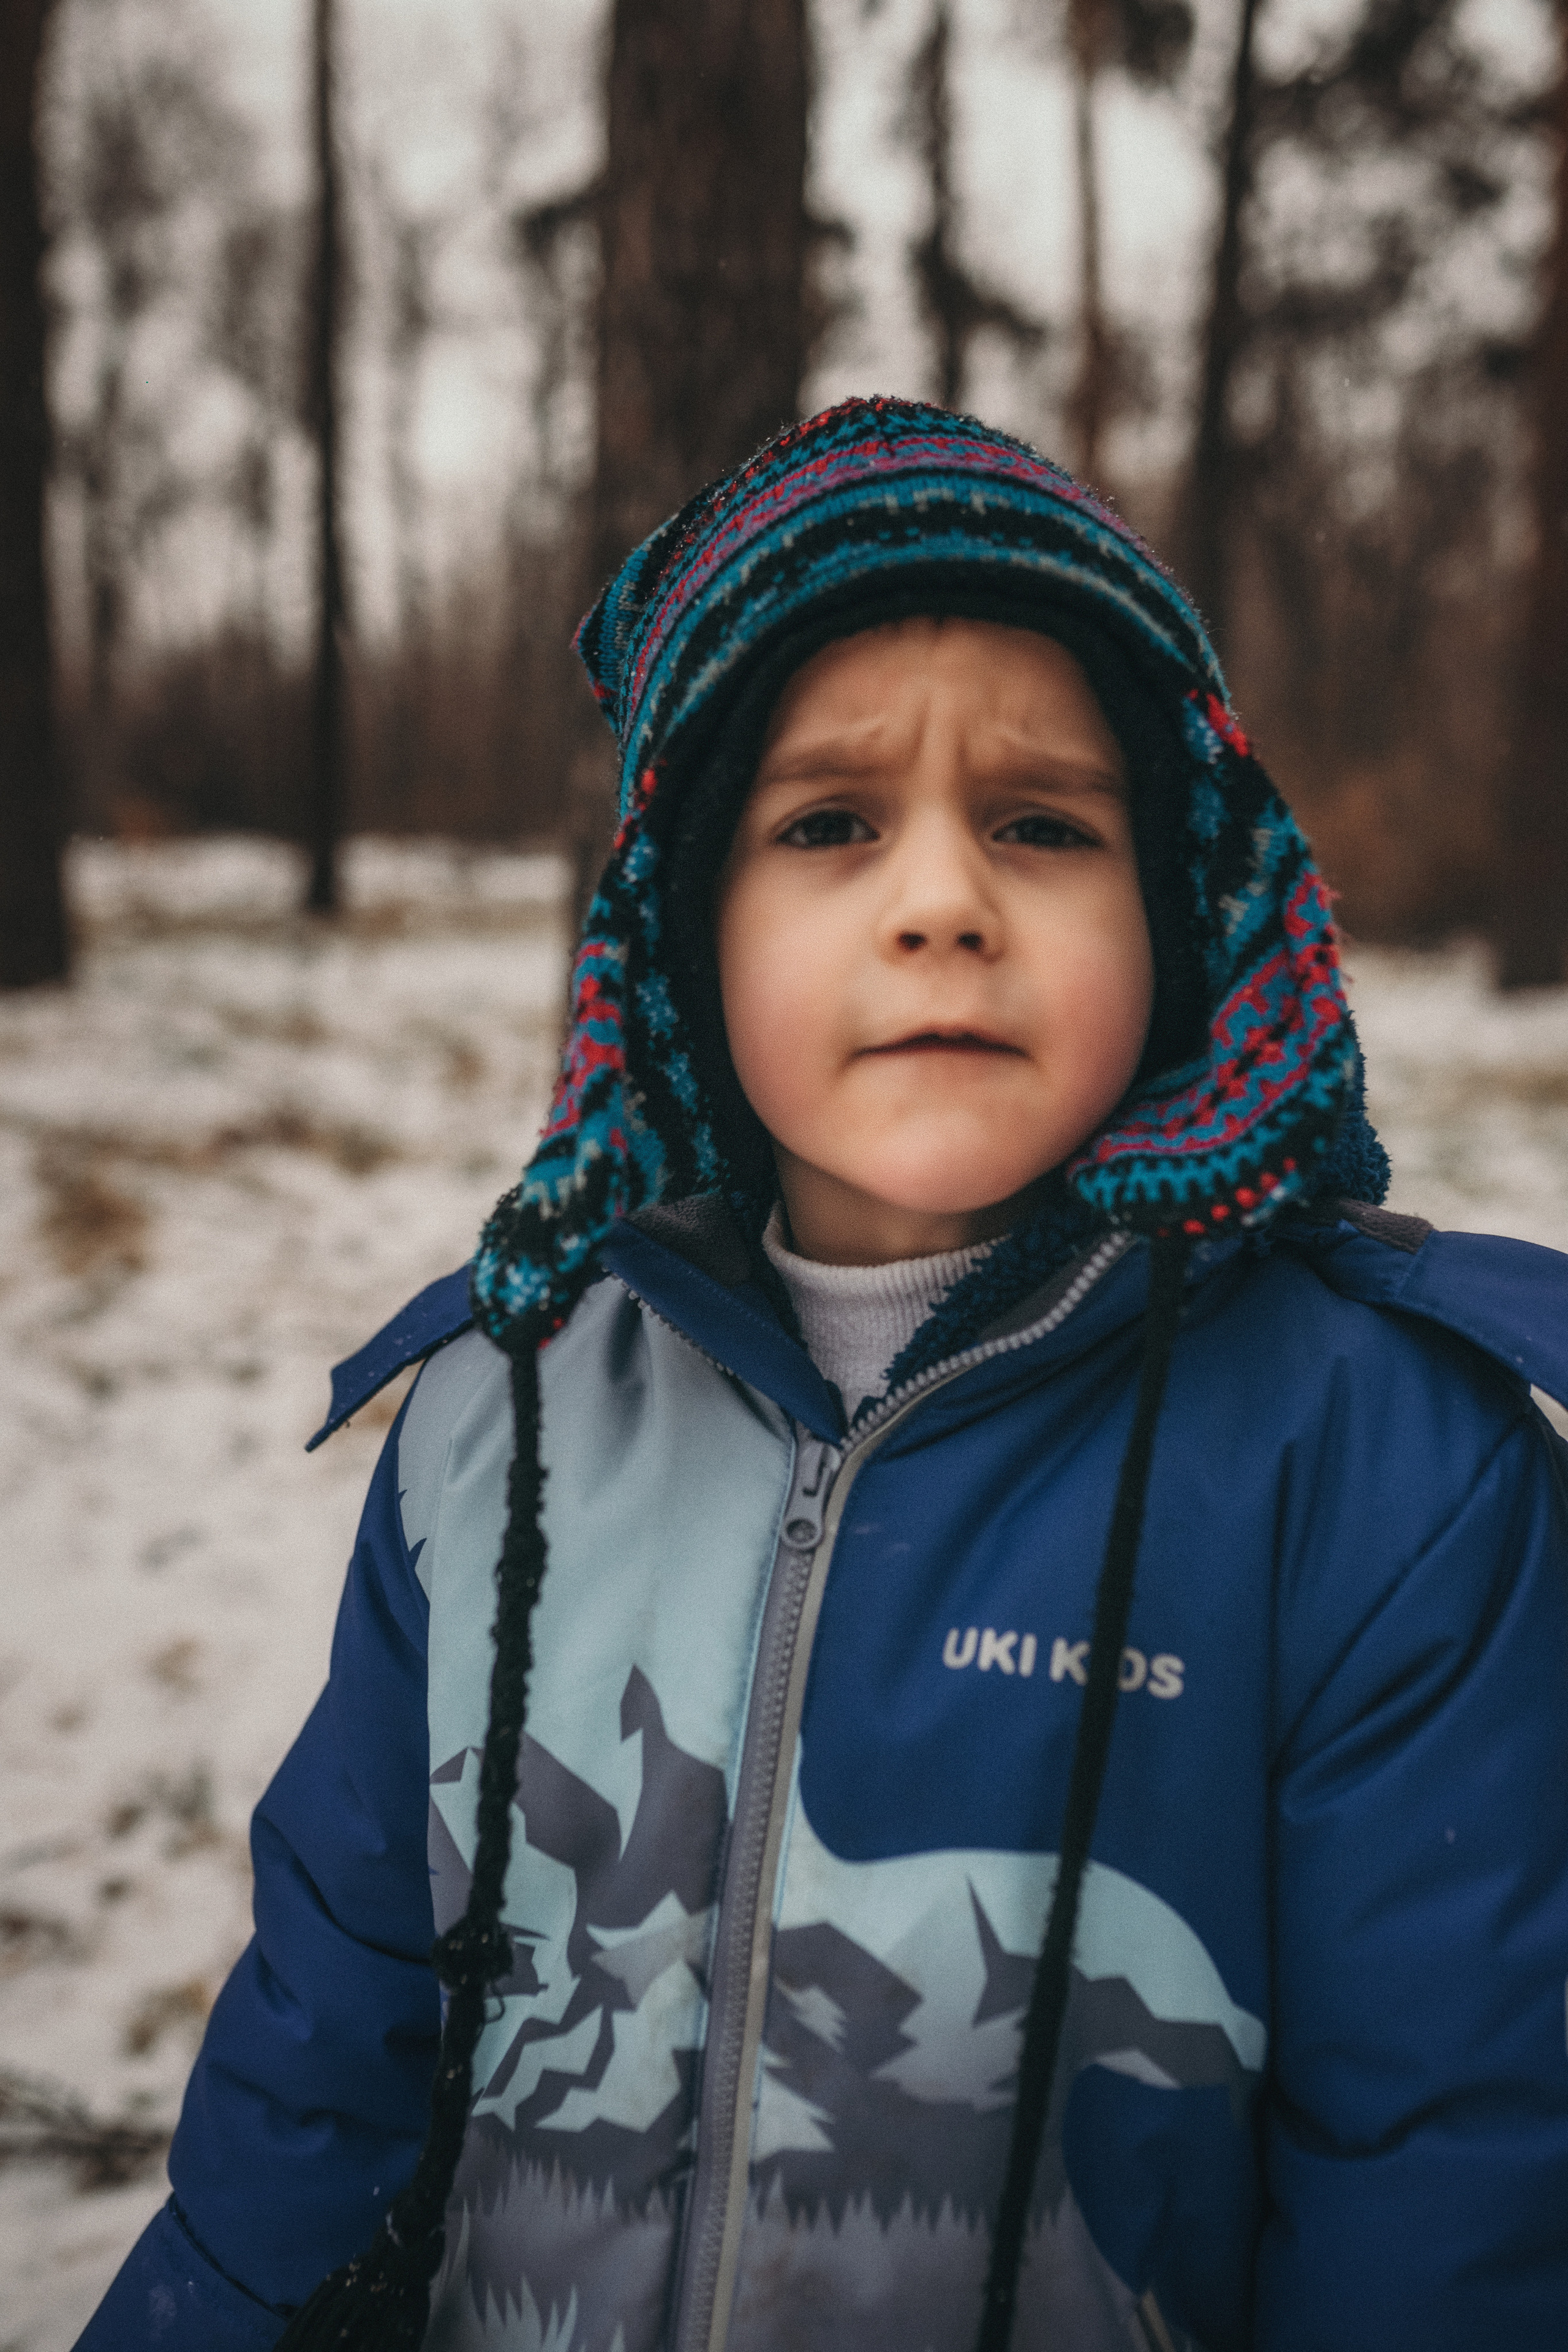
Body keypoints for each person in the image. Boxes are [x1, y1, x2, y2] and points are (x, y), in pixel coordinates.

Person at [80, 398, 1568, 2352]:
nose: (942, 899)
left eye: (1043, 822)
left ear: (1185, 909)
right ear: (687, 934)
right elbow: (315, 2077)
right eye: (828, 824)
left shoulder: (1382, 1472)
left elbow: (1452, 2189)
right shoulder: (501, 1426)